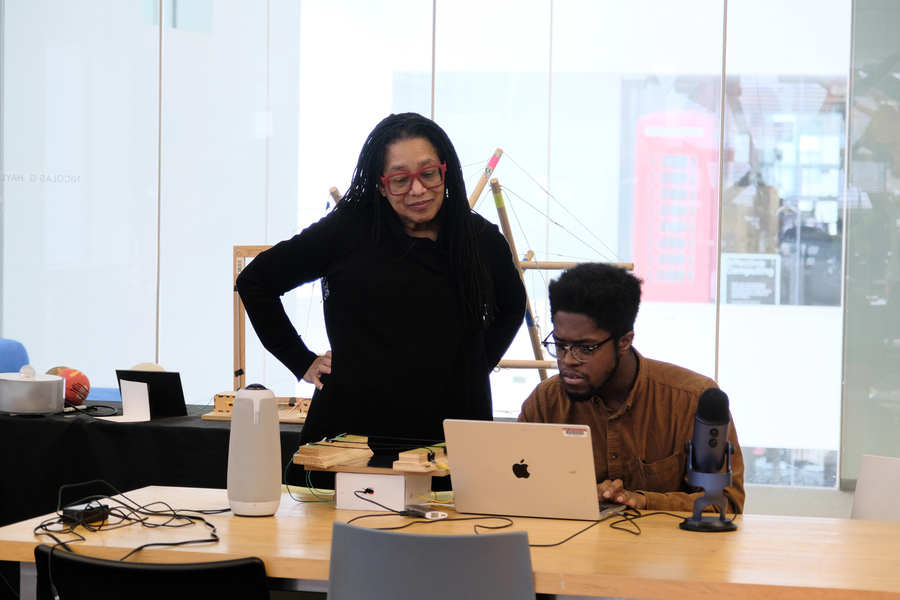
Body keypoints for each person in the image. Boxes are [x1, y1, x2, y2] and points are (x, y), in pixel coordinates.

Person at [237, 112, 526, 452]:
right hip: (353, 434)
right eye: (400, 180)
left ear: (445, 171)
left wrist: (474, 366)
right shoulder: (348, 230)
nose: (417, 189)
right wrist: (302, 361)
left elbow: (511, 307)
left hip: (451, 431)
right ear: (380, 184)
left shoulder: (479, 237)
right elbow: (256, 282)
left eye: (429, 174)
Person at [518, 263, 745, 513]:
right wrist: (576, 494)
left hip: (666, 551)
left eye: (585, 348)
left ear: (624, 342)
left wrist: (646, 501)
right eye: (560, 345)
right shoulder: (545, 403)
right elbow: (517, 490)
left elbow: (727, 504)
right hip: (570, 549)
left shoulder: (691, 400)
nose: (568, 360)